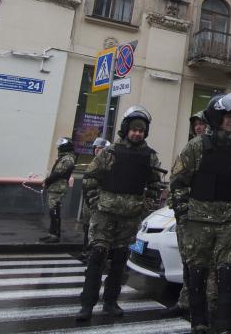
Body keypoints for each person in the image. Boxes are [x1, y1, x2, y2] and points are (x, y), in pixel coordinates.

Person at [170, 94, 231, 334]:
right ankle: (199, 323)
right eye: (228, 116)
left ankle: (224, 326)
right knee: (197, 274)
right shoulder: (196, 146)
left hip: (229, 222)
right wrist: (184, 215)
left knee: (227, 276)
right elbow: (178, 182)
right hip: (199, 222)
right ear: (217, 117)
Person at [76, 106, 163, 322]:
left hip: (130, 218)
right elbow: (90, 178)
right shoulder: (110, 152)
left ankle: (110, 303)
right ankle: (87, 305)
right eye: (134, 130)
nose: (137, 134)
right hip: (104, 215)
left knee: (120, 261)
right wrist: (97, 202)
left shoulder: (150, 157)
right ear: (126, 129)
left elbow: (154, 185)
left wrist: (145, 205)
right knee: (96, 258)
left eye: (141, 131)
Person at [166, 110, 218, 320]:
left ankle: (205, 308)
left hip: (205, 215)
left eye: (202, 123)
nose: (198, 127)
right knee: (188, 262)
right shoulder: (189, 149)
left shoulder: (214, 149)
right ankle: (186, 301)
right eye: (196, 124)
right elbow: (176, 178)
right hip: (185, 213)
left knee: (206, 265)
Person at [39, 138, 77, 243]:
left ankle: (55, 235)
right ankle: (52, 233)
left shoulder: (68, 158)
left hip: (58, 188)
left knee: (54, 212)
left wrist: (47, 181)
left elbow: (59, 172)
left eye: (61, 144)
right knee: (53, 212)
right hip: (55, 187)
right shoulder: (63, 157)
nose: (59, 146)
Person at [80, 137, 110, 260]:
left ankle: (92, 254)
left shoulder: (107, 164)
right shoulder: (94, 162)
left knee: (96, 228)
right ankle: (85, 250)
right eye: (96, 148)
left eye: (100, 148)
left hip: (98, 200)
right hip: (88, 199)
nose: (97, 150)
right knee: (86, 226)